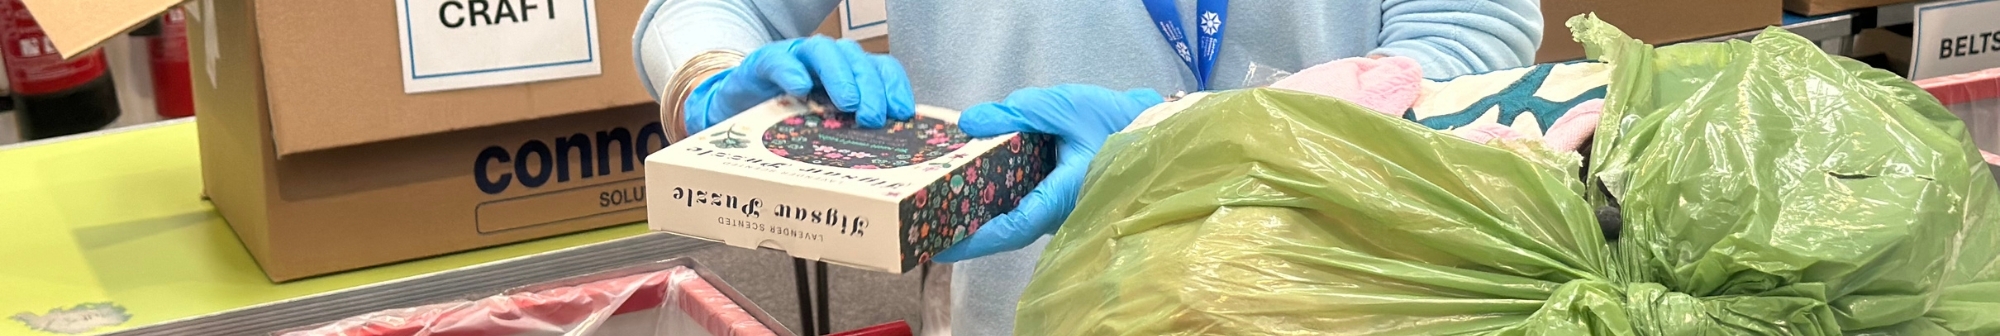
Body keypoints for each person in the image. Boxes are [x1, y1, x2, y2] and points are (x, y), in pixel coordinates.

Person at [635, 1, 1542, 333]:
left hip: (1327, 297)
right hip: (1015, 311)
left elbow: (1470, 34)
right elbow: (702, 11)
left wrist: (1190, 137)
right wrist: (716, 84)